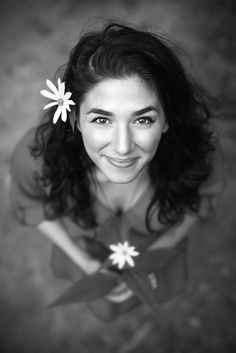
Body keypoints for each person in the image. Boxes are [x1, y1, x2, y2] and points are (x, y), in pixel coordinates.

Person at [10, 22, 224, 322]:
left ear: (166, 119)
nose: (123, 147)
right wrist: (84, 263)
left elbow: (198, 201)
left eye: (143, 120)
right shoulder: (36, 159)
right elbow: (30, 204)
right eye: (101, 120)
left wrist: (155, 256)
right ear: (75, 118)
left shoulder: (194, 157)